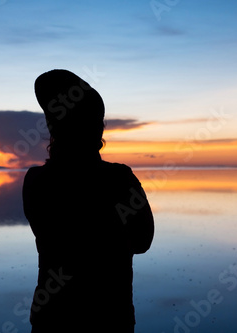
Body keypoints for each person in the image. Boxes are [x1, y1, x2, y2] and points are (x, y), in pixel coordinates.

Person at [22, 69, 154, 333]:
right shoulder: (120, 179)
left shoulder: (37, 181)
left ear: (53, 129)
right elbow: (142, 241)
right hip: (110, 316)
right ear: (98, 129)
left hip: (53, 315)